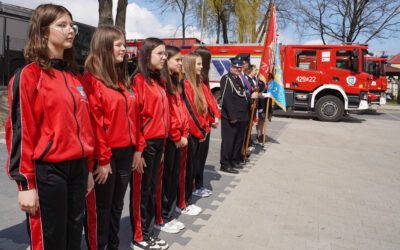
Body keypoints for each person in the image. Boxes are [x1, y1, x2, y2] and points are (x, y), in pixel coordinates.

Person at [5, 4, 95, 249]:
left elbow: (84, 129)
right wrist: (25, 184)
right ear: (43, 32)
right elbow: (20, 132)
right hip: (49, 172)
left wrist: (86, 168)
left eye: (71, 26)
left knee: (73, 236)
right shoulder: (29, 75)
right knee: (50, 240)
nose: (71, 31)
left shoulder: (74, 78)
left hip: (77, 170)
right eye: (62, 25)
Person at [82, 25, 144, 250]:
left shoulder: (123, 80)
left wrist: (138, 148)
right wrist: (104, 159)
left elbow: (135, 118)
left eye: (124, 44)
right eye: (118, 44)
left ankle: (112, 244)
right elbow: (95, 125)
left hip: (126, 153)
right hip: (106, 157)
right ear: (104, 47)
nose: (124, 49)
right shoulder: (91, 80)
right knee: (102, 209)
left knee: (117, 206)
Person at [130, 38, 170, 250]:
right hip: (144, 145)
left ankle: (148, 232)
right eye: (160, 54)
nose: (164, 57)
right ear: (146, 56)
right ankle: (138, 236)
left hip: (158, 143)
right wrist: (139, 148)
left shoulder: (159, 81)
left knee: (152, 189)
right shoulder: (138, 80)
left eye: (165, 54)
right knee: (141, 193)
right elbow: (135, 117)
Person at [155, 45, 188, 234]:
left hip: (178, 137)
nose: (180, 63)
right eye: (177, 59)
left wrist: (184, 132)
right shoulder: (162, 82)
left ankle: (169, 213)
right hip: (170, 138)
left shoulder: (175, 81)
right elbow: (168, 113)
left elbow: (180, 109)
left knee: (173, 176)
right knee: (166, 179)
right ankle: (163, 217)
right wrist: (176, 135)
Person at [176, 51, 209, 215]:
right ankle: (183, 202)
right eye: (198, 64)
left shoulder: (198, 83)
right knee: (186, 171)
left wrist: (205, 129)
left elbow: (202, 111)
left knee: (191, 169)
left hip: (198, 134)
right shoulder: (185, 85)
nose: (201, 67)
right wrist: (201, 131)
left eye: (201, 63)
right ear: (190, 65)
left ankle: (187, 199)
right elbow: (189, 113)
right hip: (190, 135)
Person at [219, 57, 257, 174]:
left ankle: (234, 161)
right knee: (229, 141)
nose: (238, 69)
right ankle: (225, 164)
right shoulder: (226, 79)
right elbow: (226, 99)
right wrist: (232, 116)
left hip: (242, 116)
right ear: (231, 67)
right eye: (236, 67)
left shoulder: (239, 79)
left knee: (238, 140)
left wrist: (250, 102)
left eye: (240, 67)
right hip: (232, 117)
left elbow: (244, 95)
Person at [192, 46, 221, 198]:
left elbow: (210, 101)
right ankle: (196, 185)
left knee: (201, 159)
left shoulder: (203, 80)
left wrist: (215, 115)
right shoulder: (194, 81)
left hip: (206, 125)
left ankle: (198, 184)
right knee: (196, 159)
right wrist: (212, 117)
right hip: (199, 127)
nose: (204, 66)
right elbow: (201, 105)